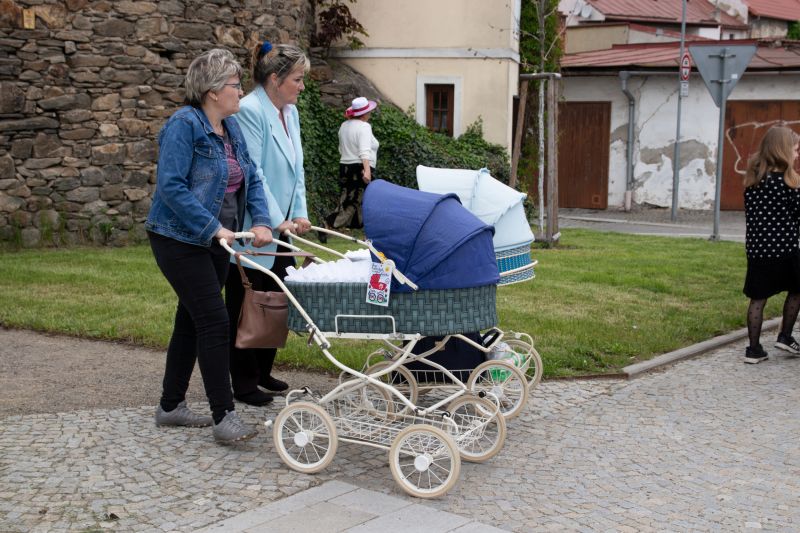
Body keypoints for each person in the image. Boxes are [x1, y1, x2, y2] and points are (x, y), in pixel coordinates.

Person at [145, 48, 273, 443]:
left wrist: (262, 221)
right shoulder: (183, 125)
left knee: (192, 318)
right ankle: (224, 416)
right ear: (213, 91)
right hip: (178, 238)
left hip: (220, 238)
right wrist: (213, 228)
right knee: (215, 320)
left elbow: (252, 176)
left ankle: (170, 406)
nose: (241, 91)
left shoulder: (230, 128)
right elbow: (171, 187)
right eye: (235, 84)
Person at [224, 41, 312, 405]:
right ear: (275, 79)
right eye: (297, 79)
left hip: (283, 225)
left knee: (277, 298)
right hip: (255, 225)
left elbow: (297, 169)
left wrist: (300, 213)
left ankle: (262, 370)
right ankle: (243, 382)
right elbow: (254, 172)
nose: (301, 86)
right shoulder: (250, 110)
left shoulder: (290, 112)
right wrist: (277, 220)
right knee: (248, 302)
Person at [742, 125, 800, 364]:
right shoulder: (789, 183)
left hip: (757, 251)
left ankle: (753, 350)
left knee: (758, 299)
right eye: (795, 149)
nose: (797, 154)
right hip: (785, 250)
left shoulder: (753, 181)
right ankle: (785, 336)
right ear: (783, 150)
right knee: (797, 289)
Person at [326, 96, 380, 230]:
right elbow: (364, 151)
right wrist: (367, 171)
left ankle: (360, 227)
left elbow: (341, 149)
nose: (370, 114)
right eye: (369, 111)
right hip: (360, 168)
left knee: (349, 199)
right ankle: (329, 224)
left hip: (345, 167)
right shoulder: (364, 126)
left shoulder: (344, 125)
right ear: (365, 113)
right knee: (354, 201)